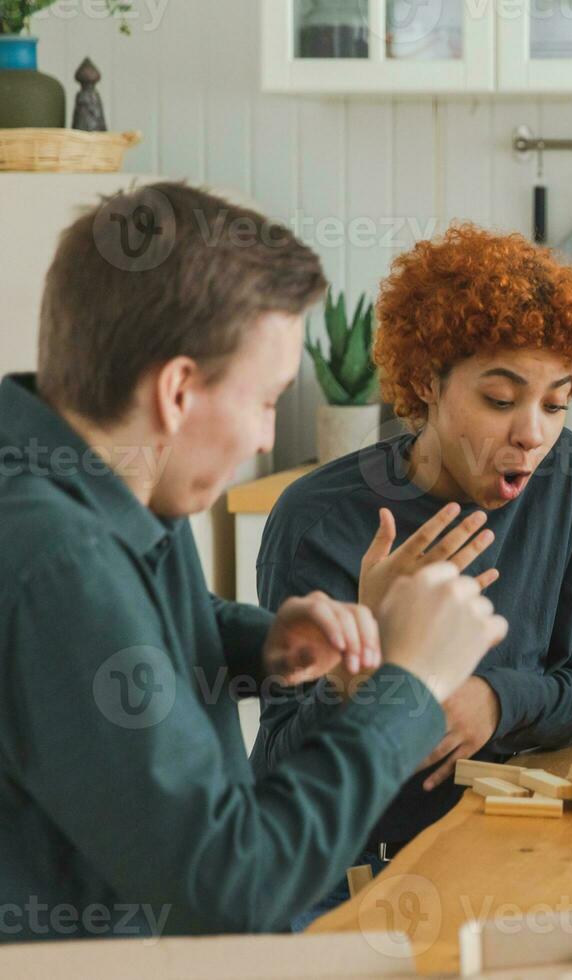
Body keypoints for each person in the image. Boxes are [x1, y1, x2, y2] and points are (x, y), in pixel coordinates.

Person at [0, 183, 505, 941]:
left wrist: (263, 642)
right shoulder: (58, 560)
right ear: (177, 390)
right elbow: (232, 884)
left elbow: (146, 623)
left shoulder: (116, 484)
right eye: (267, 400)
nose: (267, 439)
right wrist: (411, 688)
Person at [251, 225, 572, 927]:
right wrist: (367, 656)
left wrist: (496, 699)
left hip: (498, 852)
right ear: (426, 382)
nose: (533, 435)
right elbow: (279, 761)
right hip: (337, 878)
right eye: (501, 400)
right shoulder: (319, 518)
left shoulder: (566, 476)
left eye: (555, 401)